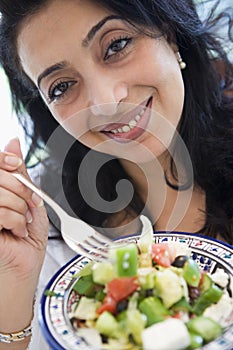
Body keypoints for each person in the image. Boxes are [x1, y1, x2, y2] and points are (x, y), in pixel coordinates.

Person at [0, 0, 232, 349]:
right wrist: (14, 287)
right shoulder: (44, 235)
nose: (106, 102)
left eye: (116, 46)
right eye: (61, 86)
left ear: (168, 34)